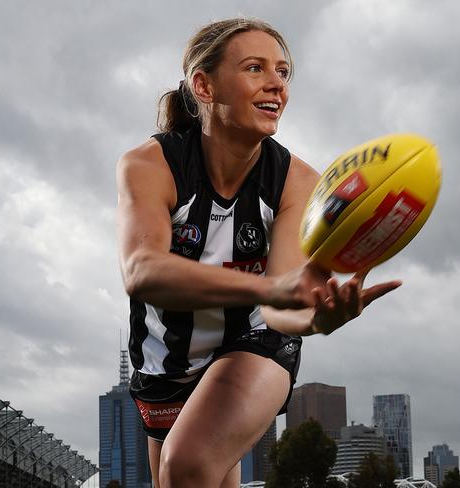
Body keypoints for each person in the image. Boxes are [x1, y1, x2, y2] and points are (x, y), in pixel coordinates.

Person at [116, 17, 401, 488]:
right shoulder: (151, 164)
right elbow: (142, 271)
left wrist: (315, 319)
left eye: (284, 72)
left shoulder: (298, 181)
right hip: (165, 365)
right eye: (255, 68)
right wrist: (271, 287)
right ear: (204, 85)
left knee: (185, 466)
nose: (276, 84)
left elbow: (280, 309)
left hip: (254, 343)